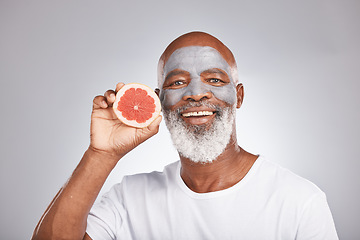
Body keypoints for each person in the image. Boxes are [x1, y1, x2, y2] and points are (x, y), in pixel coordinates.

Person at [32, 31, 338, 240]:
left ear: (239, 96)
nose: (195, 94)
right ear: (158, 100)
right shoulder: (129, 199)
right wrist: (102, 154)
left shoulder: (300, 201)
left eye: (215, 79)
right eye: (177, 83)